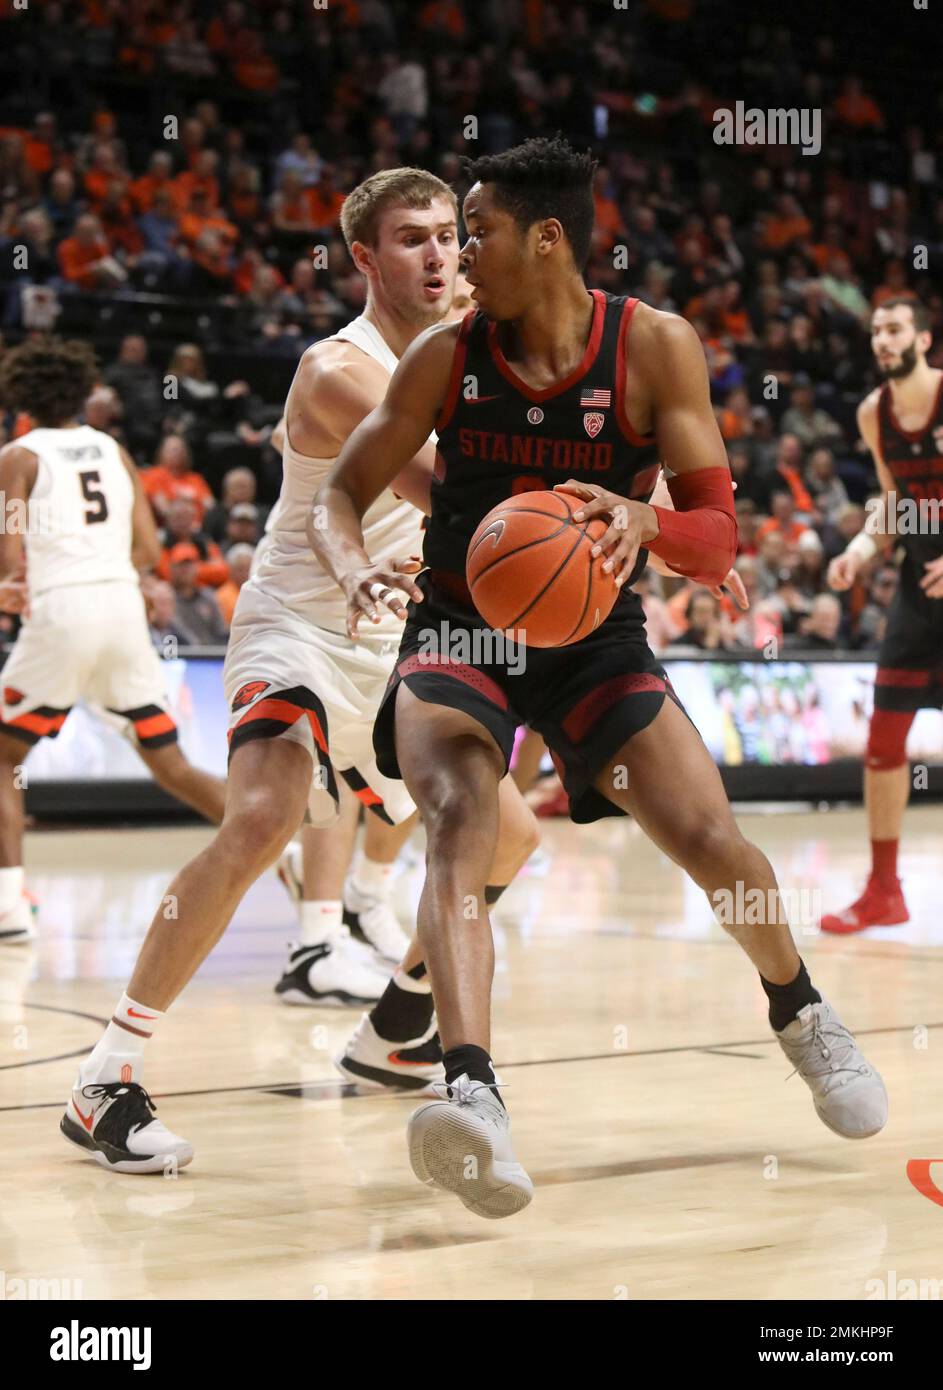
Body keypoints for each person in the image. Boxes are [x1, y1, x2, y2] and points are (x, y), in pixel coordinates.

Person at [312, 136, 887, 1220]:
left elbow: (717, 539)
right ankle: (471, 1090)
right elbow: (340, 493)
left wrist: (642, 518)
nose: (461, 256)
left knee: (709, 839)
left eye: (475, 231)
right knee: (454, 813)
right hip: (457, 629)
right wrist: (351, 566)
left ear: (547, 238)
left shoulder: (652, 346)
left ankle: (802, 1011)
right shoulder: (444, 355)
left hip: (591, 639)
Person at [59, 168, 537, 1173]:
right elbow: (446, 490)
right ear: (363, 258)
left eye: (450, 233)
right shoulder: (338, 369)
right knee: (264, 812)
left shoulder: (477, 358)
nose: (440, 254)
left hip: (394, 639)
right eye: (412, 238)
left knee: (509, 832)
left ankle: (396, 1024)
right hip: (301, 623)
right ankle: (106, 1074)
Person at [0, 338, 227, 944]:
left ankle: (7, 907)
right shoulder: (114, 450)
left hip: (62, 612)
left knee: (3, 759)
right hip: (122, 609)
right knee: (171, 763)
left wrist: (11, 584)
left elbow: (9, 548)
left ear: (18, 397)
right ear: (82, 394)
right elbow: (152, 552)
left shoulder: (17, 457)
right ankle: (277, 848)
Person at [823, 298, 943, 932]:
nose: (883, 340)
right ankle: (882, 890)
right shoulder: (875, 414)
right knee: (883, 743)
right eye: (875, 331)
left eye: (895, 329)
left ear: (923, 337)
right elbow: (894, 505)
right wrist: (860, 550)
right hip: (920, 601)